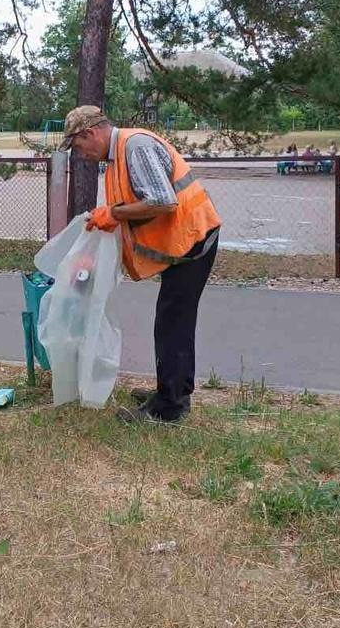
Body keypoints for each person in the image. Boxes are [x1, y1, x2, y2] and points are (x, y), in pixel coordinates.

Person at [62, 105, 221, 424]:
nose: (82, 155)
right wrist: (110, 216)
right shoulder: (118, 155)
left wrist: (115, 213)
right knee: (173, 320)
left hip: (194, 240)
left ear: (90, 133)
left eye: (79, 147)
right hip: (183, 245)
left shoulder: (135, 147)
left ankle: (169, 407)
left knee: (172, 322)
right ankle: (172, 390)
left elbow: (163, 201)